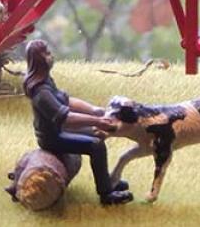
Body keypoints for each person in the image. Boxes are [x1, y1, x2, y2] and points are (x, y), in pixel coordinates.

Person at [23, 39, 133, 205]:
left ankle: (107, 181)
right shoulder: (41, 92)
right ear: (38, 59)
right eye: (46, 53)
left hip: (60, 129)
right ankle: (106, 194)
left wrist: (94, 110)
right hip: (52, 137)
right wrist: (97, 121)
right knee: (95, 145)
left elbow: (66, 100)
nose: (50, 56)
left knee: (97, 134)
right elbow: (66, 118)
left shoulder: (47, 81)